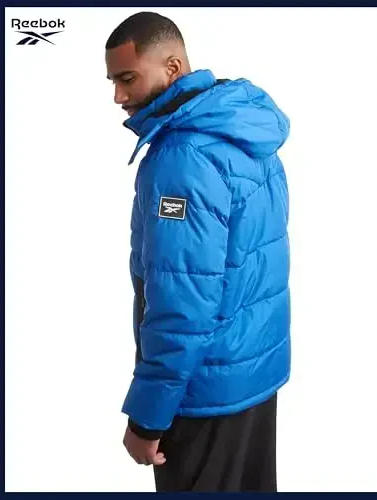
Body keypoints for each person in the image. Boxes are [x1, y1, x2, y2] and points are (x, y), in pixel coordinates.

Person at [105, 11, 291, 493]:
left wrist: (147, 416)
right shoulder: (241, 130)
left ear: (172, 68)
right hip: (252, 376)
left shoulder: (181, 157)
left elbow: (183, 301)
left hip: (203, 392)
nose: (118, 97)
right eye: (113, 82)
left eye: (127, 78)